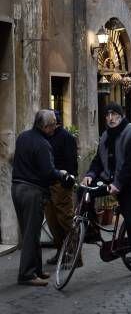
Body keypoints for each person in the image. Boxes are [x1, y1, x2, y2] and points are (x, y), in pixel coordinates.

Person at [82, 102, 131, 283]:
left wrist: (118, 184)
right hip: (110, 179)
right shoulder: (105, 136)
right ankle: (90, 231)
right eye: (108, 114)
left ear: (122, 115)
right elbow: (98, 160)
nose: (110, 118)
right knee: (84, 192)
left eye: (114, 114)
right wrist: (90, 175)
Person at [11, 110, 69, 286]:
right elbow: (48, 172)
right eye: (53, 124)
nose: (55, 127)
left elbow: (14, 159)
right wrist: (61, 173)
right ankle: (27, 275)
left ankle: (36, 270)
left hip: (17, 189)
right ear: (45, 126)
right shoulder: (43, 144)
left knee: (31, 231)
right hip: (32, 192)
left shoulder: (23, 137)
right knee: (31, 234)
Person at [45, 111, 78, 265]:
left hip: (62, 185)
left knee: (65, 220)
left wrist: (67, 183)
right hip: (49, 184)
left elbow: (71, 162)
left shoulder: (66, 137)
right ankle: (60, 251)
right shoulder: (46, 136)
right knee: (53, 222)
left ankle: (74, 255)